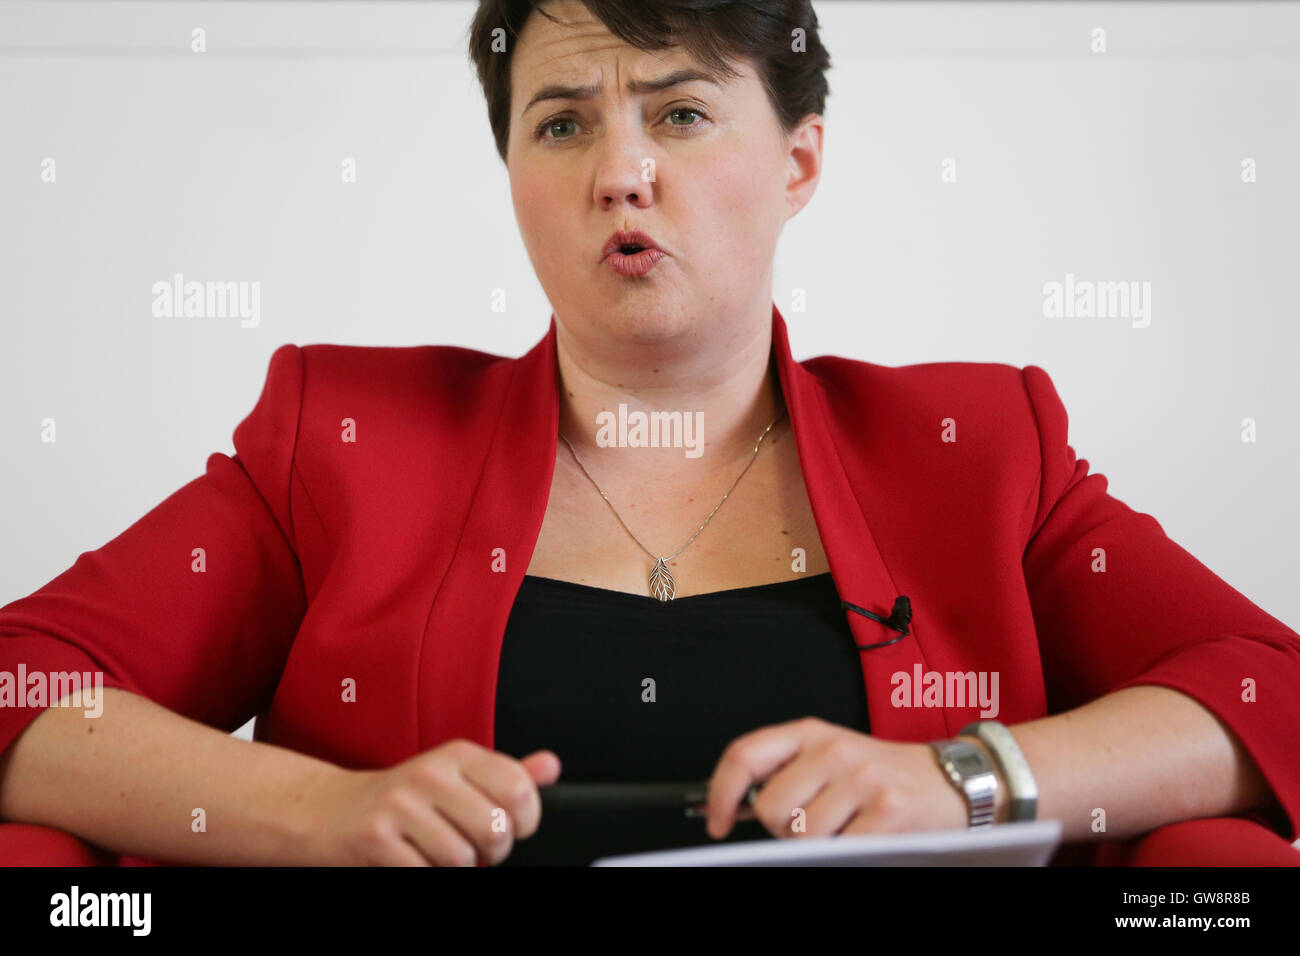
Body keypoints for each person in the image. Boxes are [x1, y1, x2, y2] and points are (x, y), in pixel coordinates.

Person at [1, 0, 1297, 867]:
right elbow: (24, 685)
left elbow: (1266, 685)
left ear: (798, 163)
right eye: (561, 122)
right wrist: (329, 811)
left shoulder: (978, 443)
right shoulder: (338, 434)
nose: (620, 170)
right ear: (510, 173)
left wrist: (970, 776)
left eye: (679, 114)